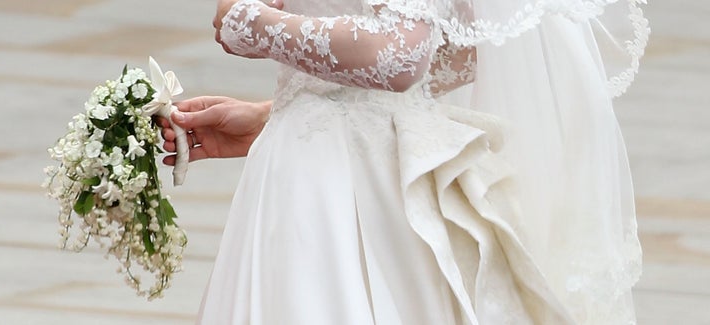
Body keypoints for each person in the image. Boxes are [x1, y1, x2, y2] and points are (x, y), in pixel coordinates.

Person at [160, 0, 649, 323]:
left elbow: (399, 54)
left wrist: (245, 23)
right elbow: (457, 50)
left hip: (342, 188)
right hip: (318, 162)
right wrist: (280, 110)